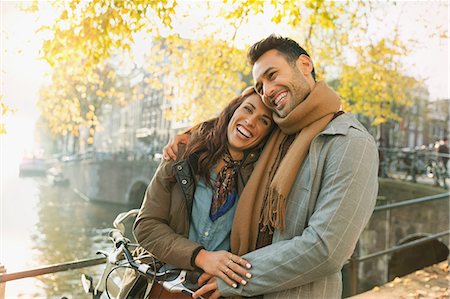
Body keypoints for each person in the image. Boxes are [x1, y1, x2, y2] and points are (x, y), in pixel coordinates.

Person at [166, 35, 379, 299]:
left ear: (304, 65)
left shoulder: (350, 143)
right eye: (260, 84)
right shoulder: (276, 131)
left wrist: (233, 278)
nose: (266, 91)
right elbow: (236, 118)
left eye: (272, 75)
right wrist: (192, 135)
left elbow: (327, 248)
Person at [118, 87, 274, 298]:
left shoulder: (261, 179)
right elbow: (146, 226)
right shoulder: (183, 154)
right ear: (232, 111)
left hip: (214, 292)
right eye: (247, 109)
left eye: (264, 120)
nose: (251, 121)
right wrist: (201, 258)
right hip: (160, 286)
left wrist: (228, 276)